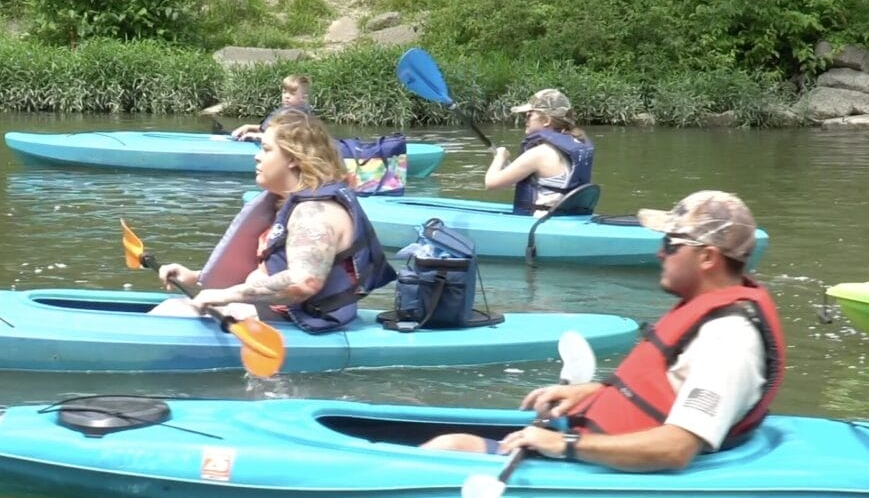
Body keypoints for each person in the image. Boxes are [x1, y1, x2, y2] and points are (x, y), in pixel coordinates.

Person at [420, 191, 781, 471]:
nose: (660, 253)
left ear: (707, 258)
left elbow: (677, 447)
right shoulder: (709, 314)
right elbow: (670, 388)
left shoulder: (729, 341)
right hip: (606, 437)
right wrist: (593, 393)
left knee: (451, 448)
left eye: (670, 244)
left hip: (626, 462)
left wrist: (564, 446)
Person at [152, 111, 393, 334]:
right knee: (171, 309)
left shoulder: (314, 213)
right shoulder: (291, 202)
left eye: (266, 149)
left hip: (301, 323)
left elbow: (303, 282)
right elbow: (276, 266)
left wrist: (225, 295)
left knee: (171, 314)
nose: (257, 157)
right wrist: (195, 277)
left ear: (292, 158)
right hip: (278, 314)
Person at [482, 87, 596, 214]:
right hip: (569, 218)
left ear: (546, 120)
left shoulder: (540, 153)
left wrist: (500, 157)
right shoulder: (577, 143)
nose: (525, 119)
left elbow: (491, 183)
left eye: (529, 115)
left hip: (541, 225)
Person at [228, 74, 315, 142]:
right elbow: (272, 128)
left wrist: (257, 136)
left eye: (292, 93)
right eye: (284, 92)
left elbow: (286, 138)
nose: (286, 96)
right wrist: (249, 127)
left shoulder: (300, 117)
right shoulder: (286, 110)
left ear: (304, 97)